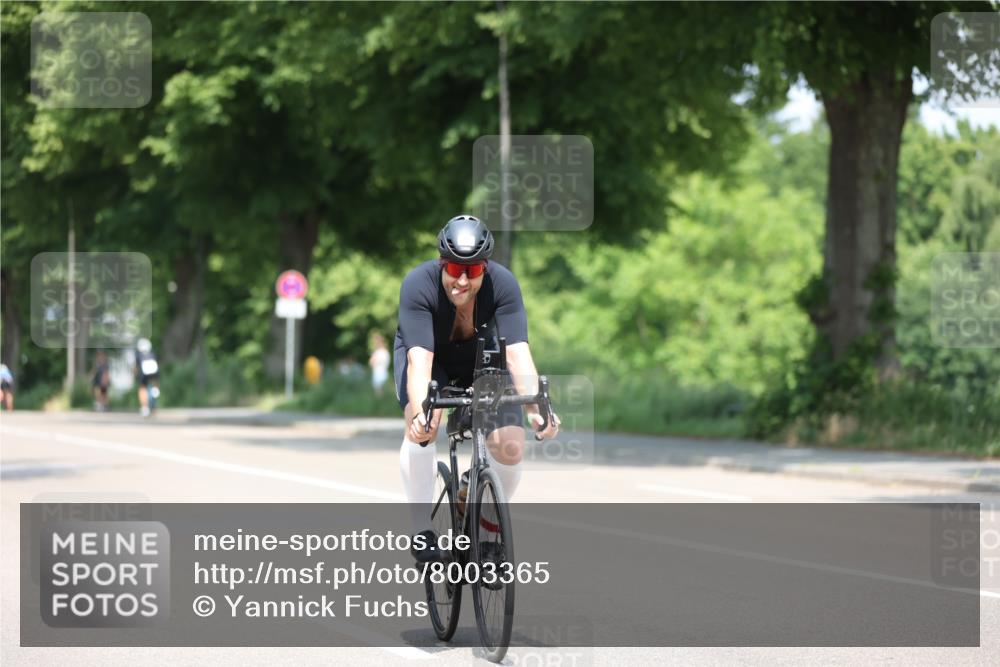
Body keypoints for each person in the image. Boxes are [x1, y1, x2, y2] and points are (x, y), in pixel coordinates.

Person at [394, 214, 560, 562]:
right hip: (431, 358)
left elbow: (517, 354)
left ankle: (487, 530)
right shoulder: (418, 284)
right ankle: (422, 529)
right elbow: (420, 362)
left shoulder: (504, 285)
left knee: (511, 446)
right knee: (424, 425)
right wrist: (421, 409)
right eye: (455, 269)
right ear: (442, 263)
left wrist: (536, 410)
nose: (463, 280)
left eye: (473, 270)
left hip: (482, 361)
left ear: (486, 267)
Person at [134, 338, 160, 417]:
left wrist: (135, 374)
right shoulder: (153, 354)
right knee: (155, 385)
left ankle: (144, 408)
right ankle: (155, 392)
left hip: (144, 373)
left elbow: (137, 367)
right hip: (154, 373)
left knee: (142, 388)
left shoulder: (139, 355)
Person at [369, 332, 390, 396]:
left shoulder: (379, 352)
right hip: (384, 374)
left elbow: (371, 362)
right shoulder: (385, 352)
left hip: (379, 374)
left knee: (379, 394)